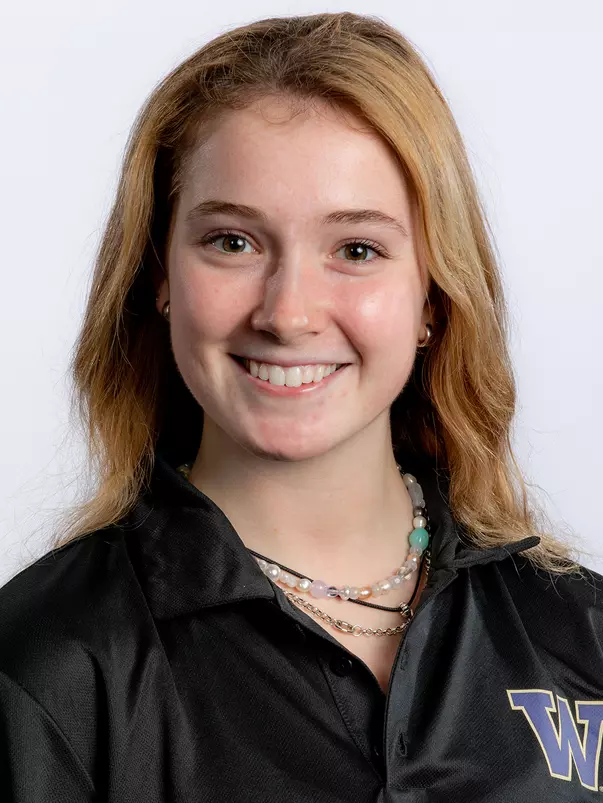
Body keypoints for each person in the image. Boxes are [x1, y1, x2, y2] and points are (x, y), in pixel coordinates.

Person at [0, 11, 600, 802]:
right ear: (157, 274)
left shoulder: (579, 633)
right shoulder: (46, 668)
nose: (288, 313)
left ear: (431, 295)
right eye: (232, 242)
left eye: (356, 250)